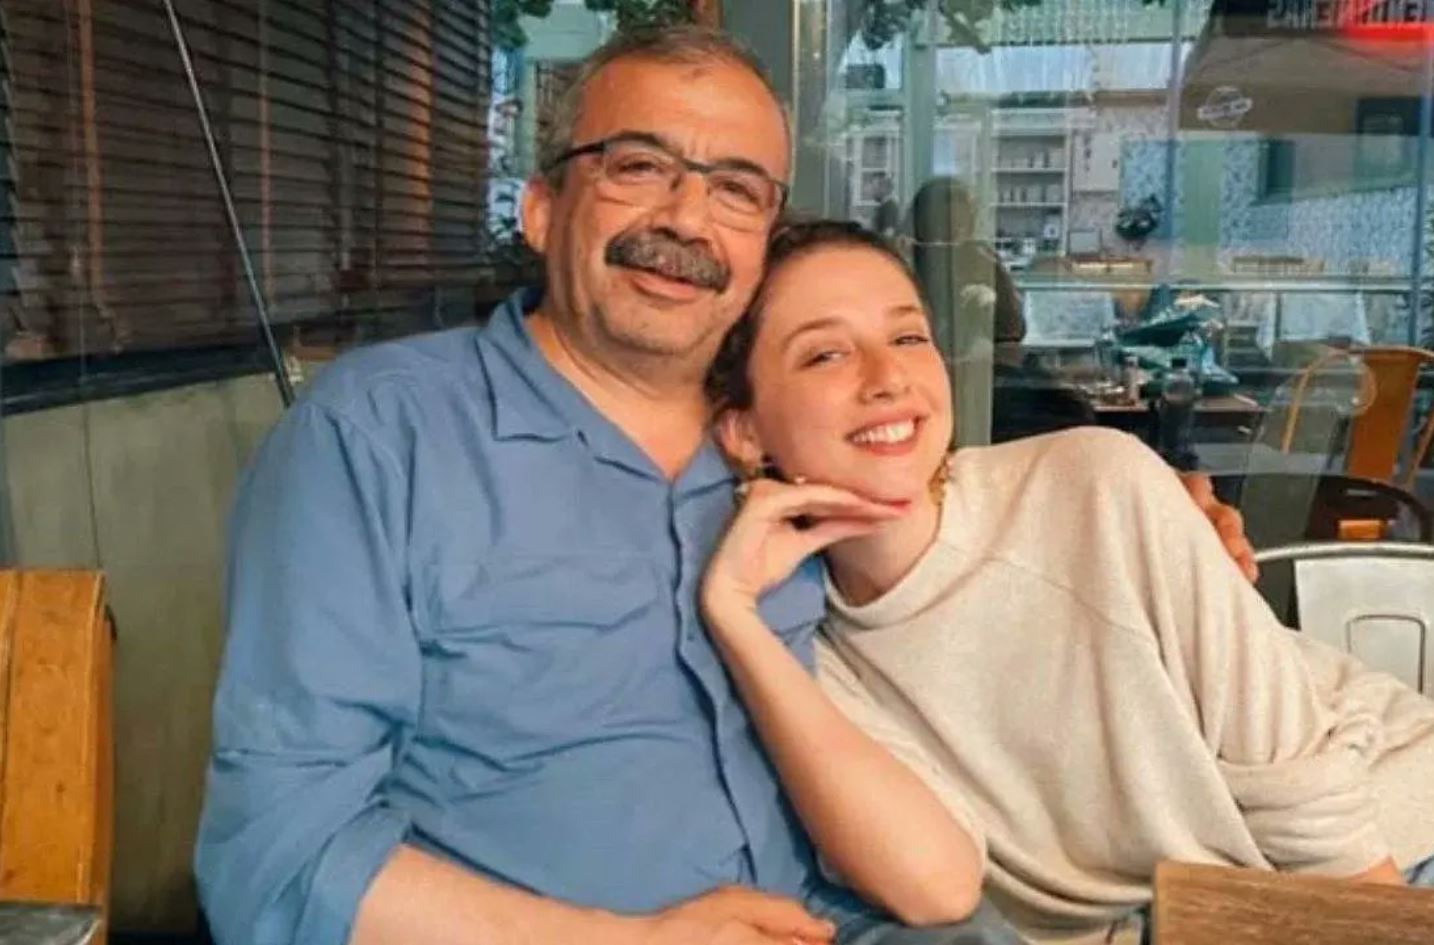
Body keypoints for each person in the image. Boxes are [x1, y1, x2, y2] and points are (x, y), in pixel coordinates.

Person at [194, 26, 1248, 945]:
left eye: (736, 188)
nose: (688, 219)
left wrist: (1163, 523)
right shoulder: (382, 438)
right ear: (542, 208)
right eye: (638, 166)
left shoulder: (780, 432)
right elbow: (278, 863)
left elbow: (953, 518)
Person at [701, 219, 1434, 944]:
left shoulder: (1090, 482)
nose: (888, 377)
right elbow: (938, 885)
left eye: (908, 337)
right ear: (743, 430)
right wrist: (734, 615)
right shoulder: (810, 646)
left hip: (1426, 838)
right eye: (826, 353)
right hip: (1232, 913)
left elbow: (1309, 793)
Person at [904, 177, 1095, 447]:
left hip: (981, 376)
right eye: (954, 220)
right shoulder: (917, 262)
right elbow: (1012, 328)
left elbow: (1011, 328)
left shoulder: (906, 258)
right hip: (965, 379)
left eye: (965, 219)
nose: (961, 227)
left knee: (1070, 409)